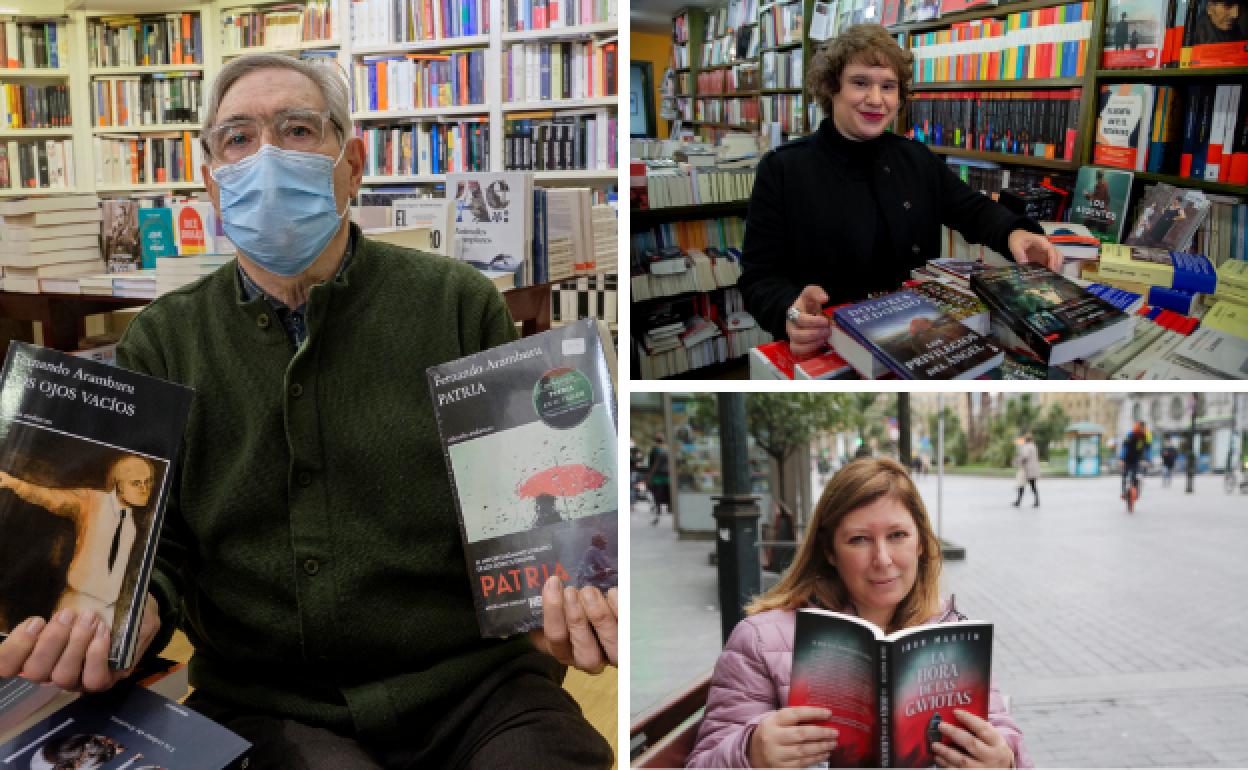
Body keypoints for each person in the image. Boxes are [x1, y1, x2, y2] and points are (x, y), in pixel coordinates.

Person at [0, 53, 616, 770]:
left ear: (352, 164)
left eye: (296, 129)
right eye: (237, 138)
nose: (264, 155)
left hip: (475, 685)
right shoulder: (164, 339)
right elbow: (154, 547)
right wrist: (131, 620)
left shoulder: (455, 302)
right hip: (268, 702)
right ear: (213, 182)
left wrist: (566, 601)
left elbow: (525, 513)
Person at [739, 24, 1061, 358]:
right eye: (860, 82)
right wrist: (790, 312)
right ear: (832, 87)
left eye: (888, 86)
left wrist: (1014, 233)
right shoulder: (783, 169)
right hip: (829, 348)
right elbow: (759, 279)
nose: (875, 99)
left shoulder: (915, 157)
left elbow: (973, 210)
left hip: (916, 343)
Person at [686, 458, 1029, 769]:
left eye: (897, 535)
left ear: (921, 542)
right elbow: (704, 761)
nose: (882, 559)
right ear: (830, 551)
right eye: (859, 540)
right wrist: (750, 753)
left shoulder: (950, 630)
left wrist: (1003, 760)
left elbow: (1006, 742)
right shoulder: (761, 640)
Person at [0, 455, 154, 628]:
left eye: (147, 482)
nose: (144, 489)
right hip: (77, 602)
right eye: (136, 483)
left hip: (108, 610)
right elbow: (49, 497)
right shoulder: (91, 500)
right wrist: (15, 484)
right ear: (118, 484)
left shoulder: (132, 522)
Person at [1121, 421, 1151, 506]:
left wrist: (1148, 460)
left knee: (1135, 476)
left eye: (1143, 428)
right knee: (1124, 475)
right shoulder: (1131, 434)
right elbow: (1125, 447)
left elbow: (1147, 449)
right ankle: (1124, 492)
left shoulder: (1146, 436)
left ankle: (1135, 492)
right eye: (1140, 427)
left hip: (1136, 459)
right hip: (1127, 458)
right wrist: (1122, 459)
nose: (1142, 429)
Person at [647, 433, 672, 526]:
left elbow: (651, 464)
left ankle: (658, 511)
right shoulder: (668, 449)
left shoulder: (654, 449)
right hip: (668, 476)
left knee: (657, 495)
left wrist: (649, 476)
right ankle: (669, 509)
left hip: (657, 476)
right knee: (668, 493)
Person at [1013, 433, 1040, 508]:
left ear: (1026, 439)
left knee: (1021, 485)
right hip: (1033, 469)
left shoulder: (1027, 447)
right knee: (1033, 486)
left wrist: (1016, 461)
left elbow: (1025, 456)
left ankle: (1018, 501)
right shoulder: (1033, 446)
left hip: (1026, 470)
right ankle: (1037, 501)